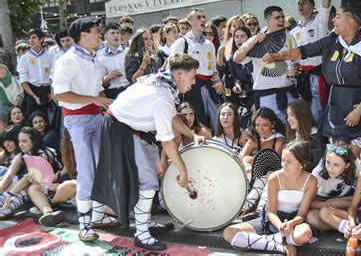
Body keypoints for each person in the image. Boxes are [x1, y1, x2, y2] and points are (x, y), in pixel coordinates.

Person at [91, 53, 207, 251]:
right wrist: (184, 172)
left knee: (153, 174)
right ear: (179, 76)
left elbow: (172, 117)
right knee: (148, 181)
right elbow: (169, 143)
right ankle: (142, 234)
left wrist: (192, 135)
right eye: (192, 77)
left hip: (132, 128)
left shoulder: (164, 84)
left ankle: (147, 221)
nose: (194, 82)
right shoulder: (160, 96)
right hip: (121, 130)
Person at [264, 0, 361, 141]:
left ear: (350, 21)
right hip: (336, 102)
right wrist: (276, 56)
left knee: (357, 151)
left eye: (338, 17)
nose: (333, 20)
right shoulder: (332, 40)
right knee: (335, 149)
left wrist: (358, 111)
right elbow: (302, 50)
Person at [52, 17, 116, 242]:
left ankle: (98, 214)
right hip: (77, 121)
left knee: (103, 167)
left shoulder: (95, 60)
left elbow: (98, 93)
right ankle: (84, 224)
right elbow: (60, 94)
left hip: (96, 117)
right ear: (83, 35)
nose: (99, 34)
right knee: (87, 171)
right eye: (95, 31)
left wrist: (111, 107)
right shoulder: (67, 60)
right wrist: (94, 100)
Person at [224, 140, 317, 256]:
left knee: (305, 234)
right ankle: (278, 245)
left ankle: (262, 242)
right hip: (272, 219)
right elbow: (271, 212)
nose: (284, 165)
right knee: (229, 232)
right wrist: (281, 227)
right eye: (283, 160)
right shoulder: (274, 177)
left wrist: (291, 224)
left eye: (289, 162)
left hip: (295, 221)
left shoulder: (311, 180)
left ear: (302, 164)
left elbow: (302, 213)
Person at [234, 6, 299, 124]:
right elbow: (237, 58)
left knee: (293, 130)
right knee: (273, 131)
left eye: (283, 17)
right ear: (267, 21)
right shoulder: (256, 39)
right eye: (277, 17)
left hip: (288, 92)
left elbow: (296, 61)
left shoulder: (290, 37)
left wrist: (296, 69)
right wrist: (253, 42)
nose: (281, 20)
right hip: (267, 96)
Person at [170, 8, 223, 131]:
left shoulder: (209, 44)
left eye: (204, 17)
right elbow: (171, 67)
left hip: (209, 87)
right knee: (197, 122)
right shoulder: (182, 43)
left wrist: (218, 81)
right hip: (190, 88)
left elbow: (213, 69)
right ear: (190, 21)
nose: (203, 20)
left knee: (216, 122)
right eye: (198, 17)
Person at [290, 0, 332, 125]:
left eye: (305, 2)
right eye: (299, 3)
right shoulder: (294, 31)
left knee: (318, 111)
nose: (301, 5)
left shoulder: (319, 21)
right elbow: (292, 57)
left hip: (317, 73)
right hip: (301, 77)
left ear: (313, 7)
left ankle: (320, 141)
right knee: (303, 114)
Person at [0, 127, 62, 222]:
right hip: (35, 189)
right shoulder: (21, 155)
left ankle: (48, 214)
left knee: (29, 184)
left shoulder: (46, 153)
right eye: (19, 141)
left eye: (24, 141)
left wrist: (10, 194)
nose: (20, 144)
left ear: (34, 141)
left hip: (53, 188)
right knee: (13, 180)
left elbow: (28, 178)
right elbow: (9, 175)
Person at [307, 142, 359, 231]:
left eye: (336, 165)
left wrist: (338, 201)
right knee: (311, 217)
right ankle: (348, 227)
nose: (330, 168)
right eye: (328, 162)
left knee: (324, 213)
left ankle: (351, 224)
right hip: (322, 202)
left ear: (347, 165)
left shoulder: (357, 166)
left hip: (348, 202)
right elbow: (309, 202)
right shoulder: (319, 172)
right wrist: (332, 203)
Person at [17, 29, 55, 117]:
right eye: (29, 38)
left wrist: (53, 92)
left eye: (34, 38)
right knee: (33, 119)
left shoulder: (51, 57)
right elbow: (23, 81)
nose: (31, 41)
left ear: (41, 39)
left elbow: (55, 77)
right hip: (32, 91)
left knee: (51, 119)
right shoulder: (24, 58)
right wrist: (34, 96)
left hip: (48, 91)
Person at [286, 99, 323, 171]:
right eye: (288, 115)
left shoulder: (316, 139)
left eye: (292, 115)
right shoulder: (292, 135)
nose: (288, 119)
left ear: (302, 115)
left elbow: (317, 165)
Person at [97, 23, 130, 99]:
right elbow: (99, 83)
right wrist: (109, 77)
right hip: (113, 93)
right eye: (112, 33)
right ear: (106, 37)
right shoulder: (100, 56)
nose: (116, 35)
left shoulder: (128, 51)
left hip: (130, 89)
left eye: (117, 33)